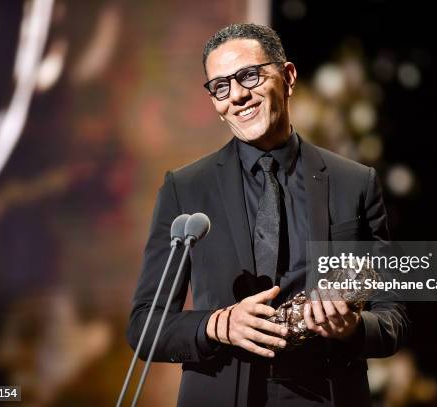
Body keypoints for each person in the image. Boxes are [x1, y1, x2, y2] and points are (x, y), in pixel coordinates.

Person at [127, 23, 409, 407]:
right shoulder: (185, 188)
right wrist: (218, 324)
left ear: (288, 77)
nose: (238, 95)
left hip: (327, 395)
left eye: (249, 76)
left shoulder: (354, 183)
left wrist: (351, 327)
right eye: (221, 87)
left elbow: (392, 318)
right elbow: (145, 324)